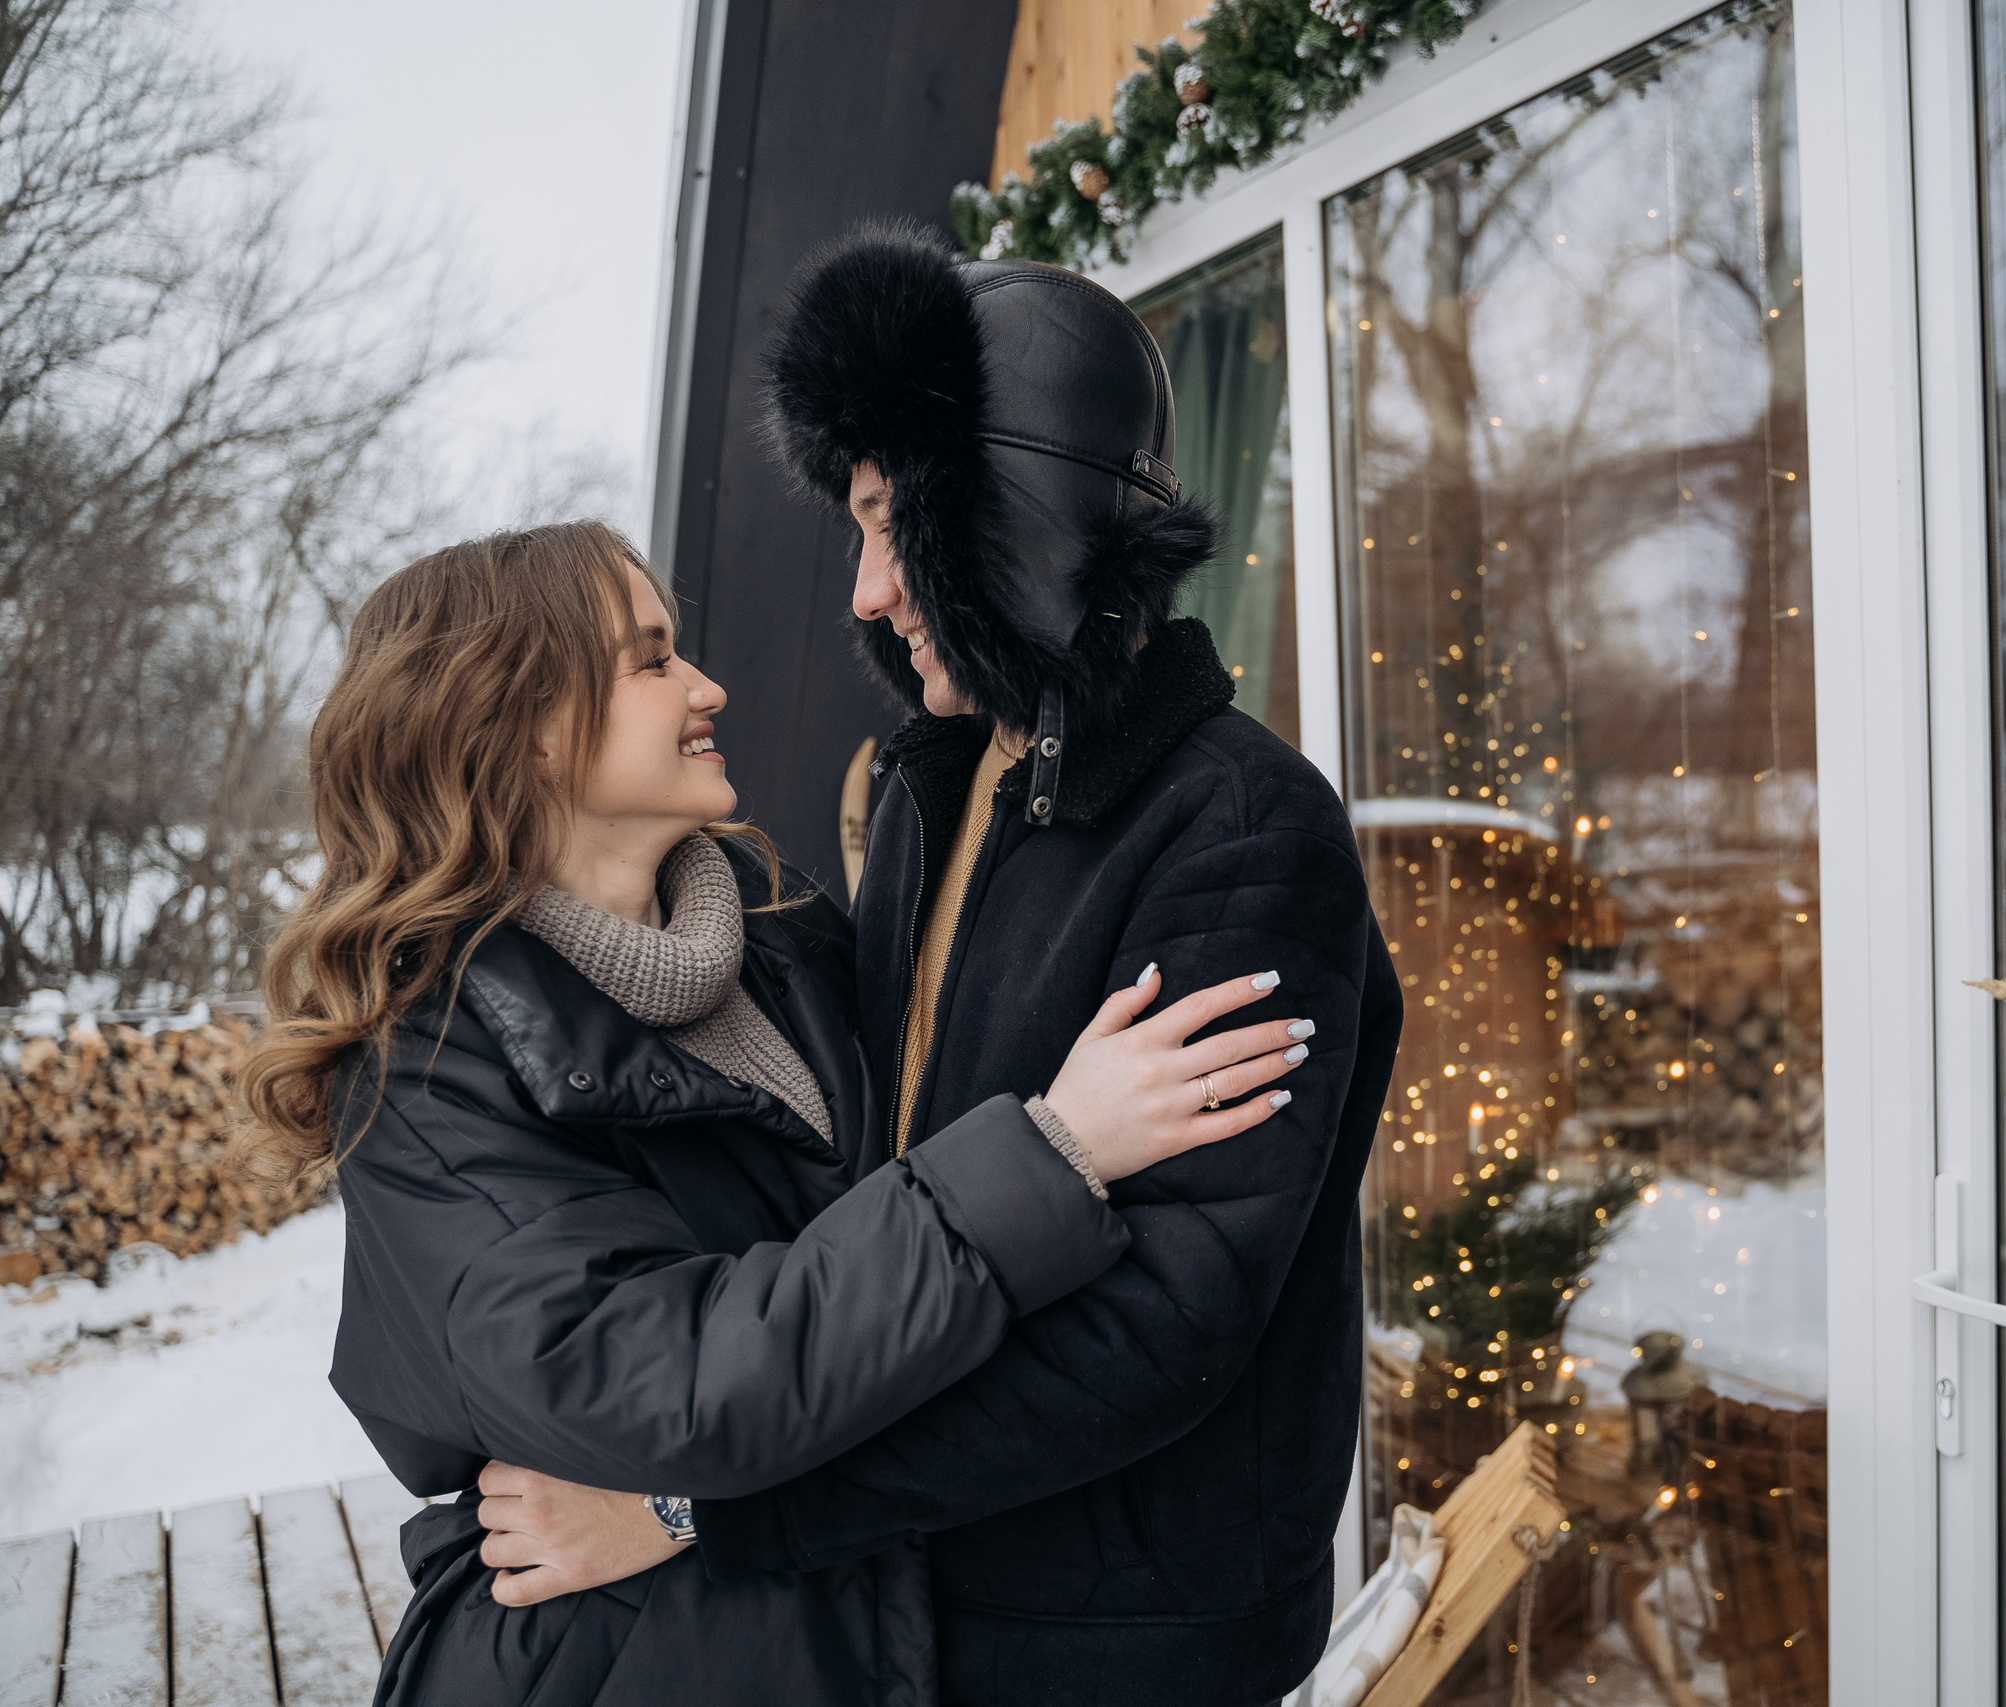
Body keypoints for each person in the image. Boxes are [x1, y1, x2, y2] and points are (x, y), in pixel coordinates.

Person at [480, 222, 1404, 1706]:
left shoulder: (1238, 826)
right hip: (930, 1584)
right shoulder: (936, 783)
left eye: (889, 525)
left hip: (1128, 1632)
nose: (864, 590)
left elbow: (1159, 1326)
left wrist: (708, 1504)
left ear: (1018, 514)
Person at [236, 522, 1313, 1703]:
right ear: (522, 726)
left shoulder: (783, 938)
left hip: (833, 1627)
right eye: (649, 661)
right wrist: (1049, 1154)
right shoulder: (429, 1064)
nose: (708, 685)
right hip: (611, 1658)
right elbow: (671, 1380)